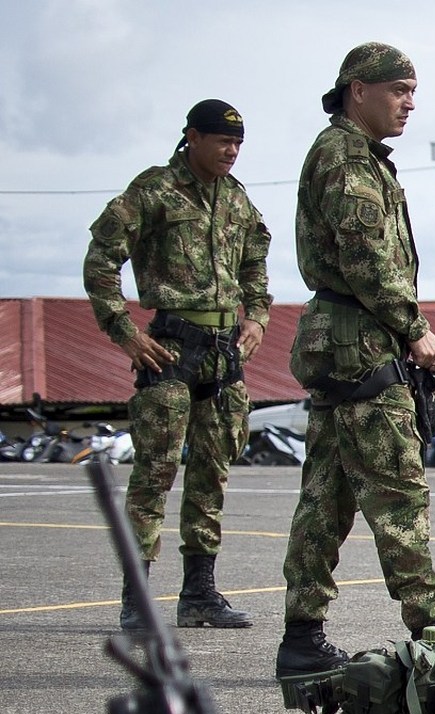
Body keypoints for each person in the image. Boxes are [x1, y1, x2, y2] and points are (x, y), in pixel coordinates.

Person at [275, 43, 435, 681]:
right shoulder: (347, 157)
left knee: (327, 494)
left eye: (413, 92)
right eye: (399, 89)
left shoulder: (359, 158)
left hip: (343, 340)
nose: (409, 103)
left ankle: (302, 636)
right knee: (398, 490)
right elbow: (364, 258)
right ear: (357, 89)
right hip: (362, 343)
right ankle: (431, 633)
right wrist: (414, 330)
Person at [83, 100, 272, 632]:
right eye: (220, 140)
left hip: (222, 352)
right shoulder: (154, 190)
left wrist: (256, 317)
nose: (231, 151)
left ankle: (199, 594)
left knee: (212, 474)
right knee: (154, 475)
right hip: (169, 348)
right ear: (191, 137)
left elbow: (257, 264)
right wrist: (125, 332)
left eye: (237, 143)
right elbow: (101, 258)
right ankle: (136, 599)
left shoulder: (236, 198)